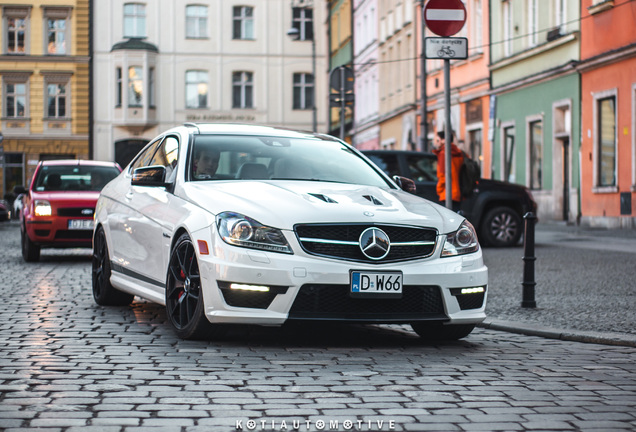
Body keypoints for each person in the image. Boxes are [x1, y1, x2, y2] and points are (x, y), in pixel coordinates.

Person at [432, 130, 464, 212]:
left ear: (444, 140)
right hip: (457, 193)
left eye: (438, 140)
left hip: (446, 193)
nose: (436, 143)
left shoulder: (444, 153)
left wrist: (439, 190)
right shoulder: (458, 152)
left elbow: (442, 175)